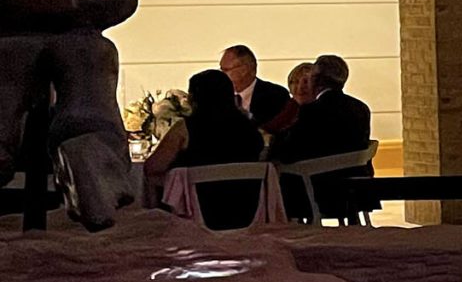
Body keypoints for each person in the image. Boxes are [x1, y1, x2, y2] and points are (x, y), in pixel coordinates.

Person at [145, 67, 270, 231]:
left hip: (198, 213)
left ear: (193, 99)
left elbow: (152, 167)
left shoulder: (186, 129)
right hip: (246, 211)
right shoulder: (250, 129)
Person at [270, 54, 376, 222]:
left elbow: (287, 153)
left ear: (316, 80)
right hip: (356, 188)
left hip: (318, 191)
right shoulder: (361, 108)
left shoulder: (312, 111)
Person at [219, 44, 291, 133]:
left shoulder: (276, 95)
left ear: (244, 70)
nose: (221, 75)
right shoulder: (215, 96)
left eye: (225, 70)